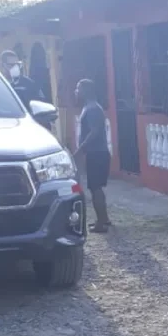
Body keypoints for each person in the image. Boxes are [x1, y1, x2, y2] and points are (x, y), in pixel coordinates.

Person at [74, 78, 112, 234]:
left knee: (95, 188)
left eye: (78, 88)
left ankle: (101, 223)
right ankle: (104, 219)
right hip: (96, 153)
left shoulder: (92, 109)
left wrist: (80, 149)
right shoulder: (89, 107)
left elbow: (94, 132)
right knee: (96, 188)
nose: (76, 92)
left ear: (85, 91)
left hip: (97, 154)